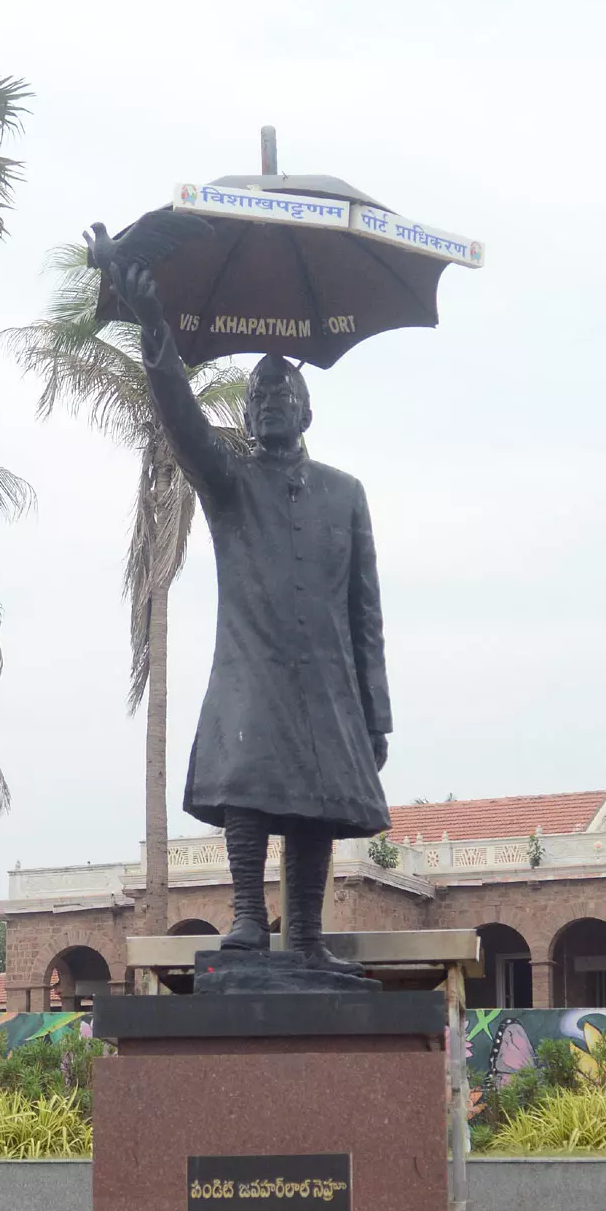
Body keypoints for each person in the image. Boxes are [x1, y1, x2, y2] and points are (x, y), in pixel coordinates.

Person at [101, 252, 392, 977]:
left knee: (318, 806)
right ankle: (244, 919)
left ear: (306, 408)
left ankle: (307, 935)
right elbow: (183, 423)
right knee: (251, 790)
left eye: (280, 394)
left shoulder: (345, 492)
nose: (268, 405)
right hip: (253, 671)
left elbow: (367, 610)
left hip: (328, 678)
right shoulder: (228, 482)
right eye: (257, 397)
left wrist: (376, 711)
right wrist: (155, 335)